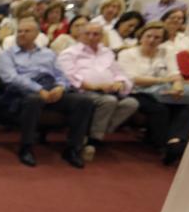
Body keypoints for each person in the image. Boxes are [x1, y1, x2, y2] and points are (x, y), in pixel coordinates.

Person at [0, 18, 92, 168]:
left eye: (26, 31)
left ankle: (73, 148)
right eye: (19, 31)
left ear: (37, 34)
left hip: (51, 89)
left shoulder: (49, 54)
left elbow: (61, 75)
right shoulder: (8, 55)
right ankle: (26, 147)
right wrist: (38, 89)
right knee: (34, 100)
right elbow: (11, 78)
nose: (21, 34)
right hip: (23, 93)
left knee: (83, 101)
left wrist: (60, 87)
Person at [117, 22, 189, 165]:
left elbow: (175, 73)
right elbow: (133, 78)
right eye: (148, 36)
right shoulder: (127, 53)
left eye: (157, 37)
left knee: (185, 107)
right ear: (141, 36)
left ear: (162, 40)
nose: (152, 40)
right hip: (136, 91)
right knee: (159, 109)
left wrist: (178, 86)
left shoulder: (166, 52)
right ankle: (164, 146)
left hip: (162, 91)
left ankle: (176, 142)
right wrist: (164, 79)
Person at [57, 22, 138, 159]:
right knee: (109, 101)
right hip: (83, 91)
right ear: (80, 35)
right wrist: (96, 87)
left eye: (95, 34)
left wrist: (119, 82)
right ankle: (94, 141)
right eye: (87, 33)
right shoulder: (70, 53)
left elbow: (120, 72)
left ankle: (90, 136)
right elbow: (69, 77)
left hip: (110, 90)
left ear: (101, 36)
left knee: (131, 103)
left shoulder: (107, 52)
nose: (91, 37)